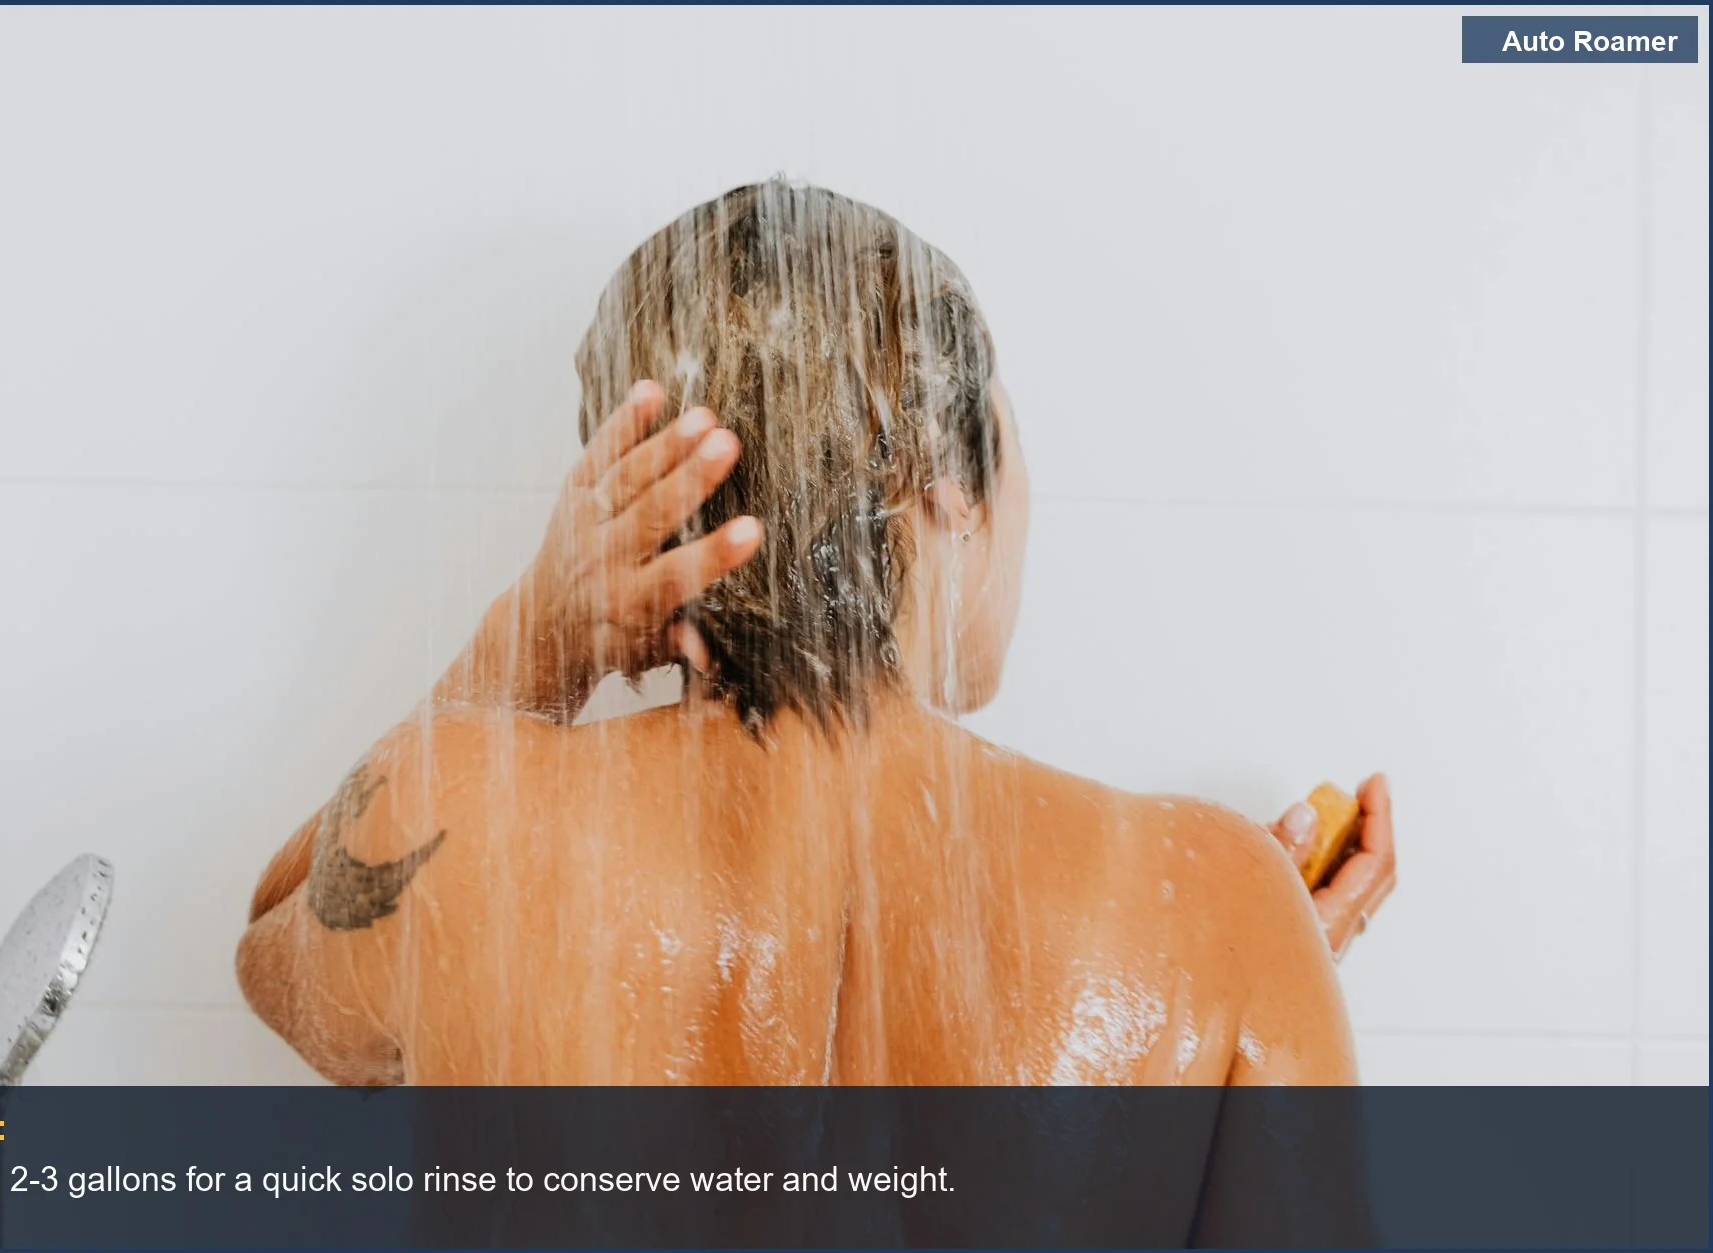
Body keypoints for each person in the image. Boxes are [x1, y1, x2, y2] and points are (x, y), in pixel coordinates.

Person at [238, 182, 1396, 1087]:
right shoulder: (1216, 903)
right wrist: (1248, 961)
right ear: (942, 475)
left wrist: (540, 632)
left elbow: (277, 954)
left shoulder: (469, 827)